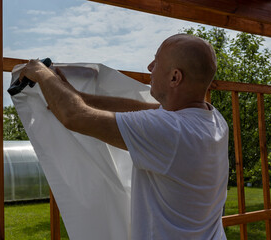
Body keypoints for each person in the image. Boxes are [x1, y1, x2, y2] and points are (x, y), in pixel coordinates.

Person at [19, 34, 229, 240]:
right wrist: (79, 96)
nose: (149, 67)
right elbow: (142, 108)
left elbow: (74, 116)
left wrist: (40, 72)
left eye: (156, 61)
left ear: (175, 77)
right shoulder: (212, 119)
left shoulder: (171, 132)